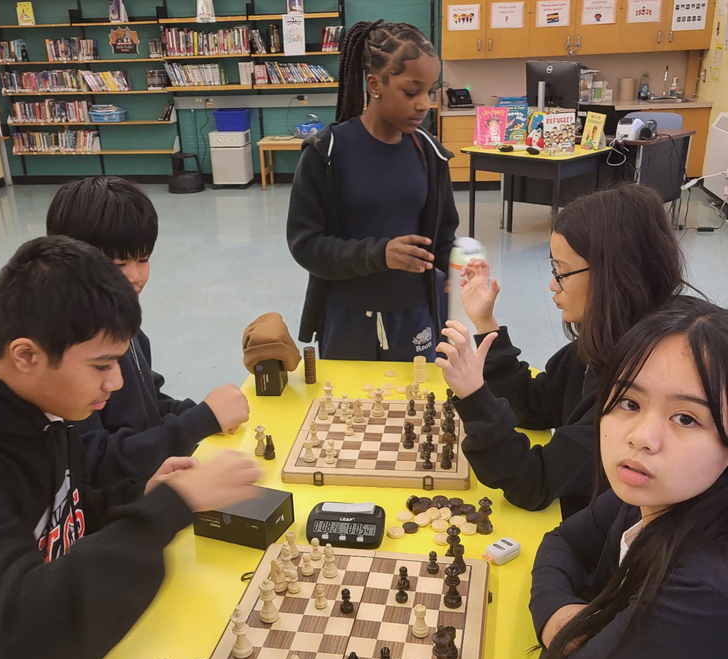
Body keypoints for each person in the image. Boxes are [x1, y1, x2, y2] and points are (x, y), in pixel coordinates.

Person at [0, 236, 260, 659]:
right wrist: (167, 509)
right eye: (102, 364)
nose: (119, 382)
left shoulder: (39, 404)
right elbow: (27, 630)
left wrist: (137, 496)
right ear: (26, 354)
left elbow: (66, 513)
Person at [530, 296, 728, 659]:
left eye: (687, 419)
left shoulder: (706, 589)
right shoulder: (654, 491)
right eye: (629, 403)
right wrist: (561, 618)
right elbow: (559, 541)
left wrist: (572, 626)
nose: (642, 437)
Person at [436, 183, 685, 518]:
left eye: (562, 272)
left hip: (603, 549)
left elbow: (533, 484)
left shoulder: (639, 387)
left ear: (613, 273)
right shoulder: (606, 340)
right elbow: (536, 406)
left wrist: (474, 398)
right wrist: (486, 323)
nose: (552, 283)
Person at [46, 176, 250, 487]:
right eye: (118, 265)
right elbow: (98, 461)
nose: (136, 276)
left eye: (143, 260)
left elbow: (147, 401)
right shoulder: (65, 352)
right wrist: (198, 422)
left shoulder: (123, 323)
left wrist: (195, 413)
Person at [286, 20, 459, 361]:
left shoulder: (431, 153)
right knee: (350, 413)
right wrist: (380, 254)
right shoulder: (327, 152)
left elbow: (443, 237)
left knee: (417, 408)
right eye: (411, 92)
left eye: (430, 91)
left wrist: (462, 267)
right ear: (375, 84)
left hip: (416, 317)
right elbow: (305, 245)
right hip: (348, 319)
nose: (424, 103)